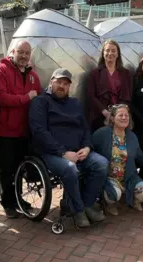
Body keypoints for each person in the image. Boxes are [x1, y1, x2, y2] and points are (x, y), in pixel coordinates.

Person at [29, 68, 108, 228]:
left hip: (79, 151)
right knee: (70, 169)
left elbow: (85, 128)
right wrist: (63, 152)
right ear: (51, 81)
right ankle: (78, 211)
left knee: (102, 164)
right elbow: (39, 132)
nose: (62, 86)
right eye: (59, 82)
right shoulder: (40, 102)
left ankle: (87, 204)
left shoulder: (75, 103)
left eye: (66, 84)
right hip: (52, 153)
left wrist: (86, 147)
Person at [0, 40, 42, 218]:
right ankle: (7, 202)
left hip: (25, 130)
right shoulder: (1, 71)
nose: (23, 56)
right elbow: (1, 98)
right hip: (6, 129)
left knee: (20, 168)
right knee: (6, 168)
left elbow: (40, 99)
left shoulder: (33, 76)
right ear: (13, 52)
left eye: (27, 53)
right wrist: (26, 97)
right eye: (20, 52)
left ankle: (17, 199)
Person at [92, 104, 143, 216]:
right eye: (120, 115)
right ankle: (109, 203)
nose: (124, 118)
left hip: (129, 177)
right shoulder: (102, 133)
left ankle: (133, 198)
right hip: (109, 177)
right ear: (112, 118)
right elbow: (90, 147)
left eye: (126, 115)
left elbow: (140, 157)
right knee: (114, 195)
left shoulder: (132, 136)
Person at [86, 39, 132, 132]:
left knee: (118, 145)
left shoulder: (126, 74)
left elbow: (128, 95)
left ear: (118, 54)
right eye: (107, 50)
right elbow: (91, 96)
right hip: (99, 116)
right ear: (103, 53)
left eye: (113, 51)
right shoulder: (94, 74)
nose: (110, 53)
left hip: (121, 117)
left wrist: (118, 113)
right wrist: (105, 112)